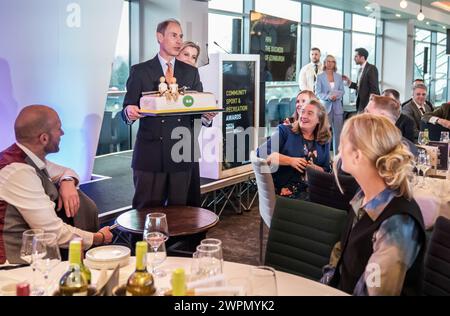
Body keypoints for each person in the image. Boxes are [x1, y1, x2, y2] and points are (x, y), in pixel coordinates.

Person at [322, 114, 425, 296]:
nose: (338, 148)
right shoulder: (363, 198)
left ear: (357, 155)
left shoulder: (397, 223)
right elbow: (341, 260)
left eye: (343, 143)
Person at [0, 105, 113, 264]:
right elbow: (52, 231)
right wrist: (98, 238)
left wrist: (68, 182)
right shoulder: (18, 172)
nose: (62, 133)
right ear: (44, 138)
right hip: (16, 266)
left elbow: (66, 171)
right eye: (58, 128)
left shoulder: (26, 158)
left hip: (37, 259)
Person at [122, 19, 211, 209]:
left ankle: (175, 242)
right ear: (160, 37)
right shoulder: (140, 71)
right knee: (144, 213)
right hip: (151, 155)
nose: (178, 40)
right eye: (173, 35)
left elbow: (197, 110)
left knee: (180, 215)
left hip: (182, 151)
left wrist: (206, 116)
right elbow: (126, 109)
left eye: (181, 36)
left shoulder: (191, 73)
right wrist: (129, 112)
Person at [257, 100, 331, 199]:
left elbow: (326, 170)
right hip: (287, 194)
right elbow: (261, 153)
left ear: (319, 119)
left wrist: (315, 168)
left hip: (315, 192)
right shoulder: (285, 131)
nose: (303, 116)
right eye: (302, 111)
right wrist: (290, 161)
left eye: (309, 113)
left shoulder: (323, 140)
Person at [315, 55, 345, 153]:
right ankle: (324, 156)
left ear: (334, 63)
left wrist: (336, 96)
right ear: (324, 63)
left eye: (332, 61)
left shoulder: (338, 76)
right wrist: (328, 97)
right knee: (324, 133)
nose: (330, 63)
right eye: (328, 61)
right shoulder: (320, 77)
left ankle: (337, 157)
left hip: (337, 108)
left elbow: (342, 91)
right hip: (325, 108)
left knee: (338, 134)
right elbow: (318, 93)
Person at [342, 48, 380, 113]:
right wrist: (349, 82)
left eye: (356, 56)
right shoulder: (360, 70)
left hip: (368, 106)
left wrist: (370, 106)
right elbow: (360, 87)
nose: (354, 59)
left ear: (362, 57)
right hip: (360, 105)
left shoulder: (371, 68)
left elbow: (374, 89)